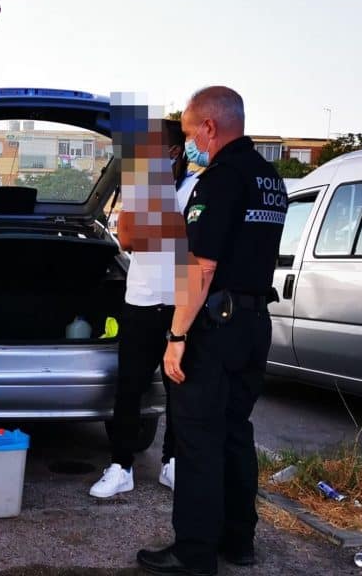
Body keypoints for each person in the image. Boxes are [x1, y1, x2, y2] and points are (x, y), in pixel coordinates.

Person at [136, 86, 286, 576]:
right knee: (236, 433)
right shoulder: (270, 180)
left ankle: (194, 552)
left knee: (199, 437)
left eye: (188, 133)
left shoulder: (219, 180)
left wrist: (176, 338)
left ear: (210, 127)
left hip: (215, 328)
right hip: (253, 325)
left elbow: (201, 268)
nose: (189, 144)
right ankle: (239, 540)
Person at [89, 120, 200, 498]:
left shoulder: (194, 188)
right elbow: (128, 238)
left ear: (172, 152)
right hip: (140, 302)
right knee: (129, 391)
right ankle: (121, 467)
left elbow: (192, 240)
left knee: (179, 392)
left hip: (180, 305)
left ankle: (173, 463)